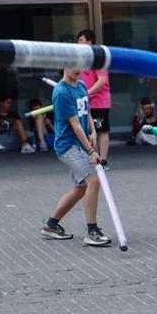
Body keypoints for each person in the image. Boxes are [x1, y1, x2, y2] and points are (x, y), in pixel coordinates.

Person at [39, 63, 112, 247]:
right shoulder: (61, 93)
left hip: (81, 145)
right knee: (94, 181)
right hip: (68, 146)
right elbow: (75, 125)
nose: (78, 69)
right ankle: (92, 231)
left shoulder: (81, 86)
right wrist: (91, 150)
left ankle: (51, 225)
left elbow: (86, 114)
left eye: (80, 65)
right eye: (72, 65)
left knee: (81, 188)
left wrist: (94, 131)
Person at [75, 29, 113, 162]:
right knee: (89, 131)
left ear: (89, 41)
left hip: (99, 101)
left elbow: (102, 81)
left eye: (81, 40)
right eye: (78, 40)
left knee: (101, 130)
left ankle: (103, 160)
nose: (78, 43)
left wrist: (87, 93)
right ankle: (94, 159)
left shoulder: (98, 58)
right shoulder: (81, 60)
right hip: (86, 101)